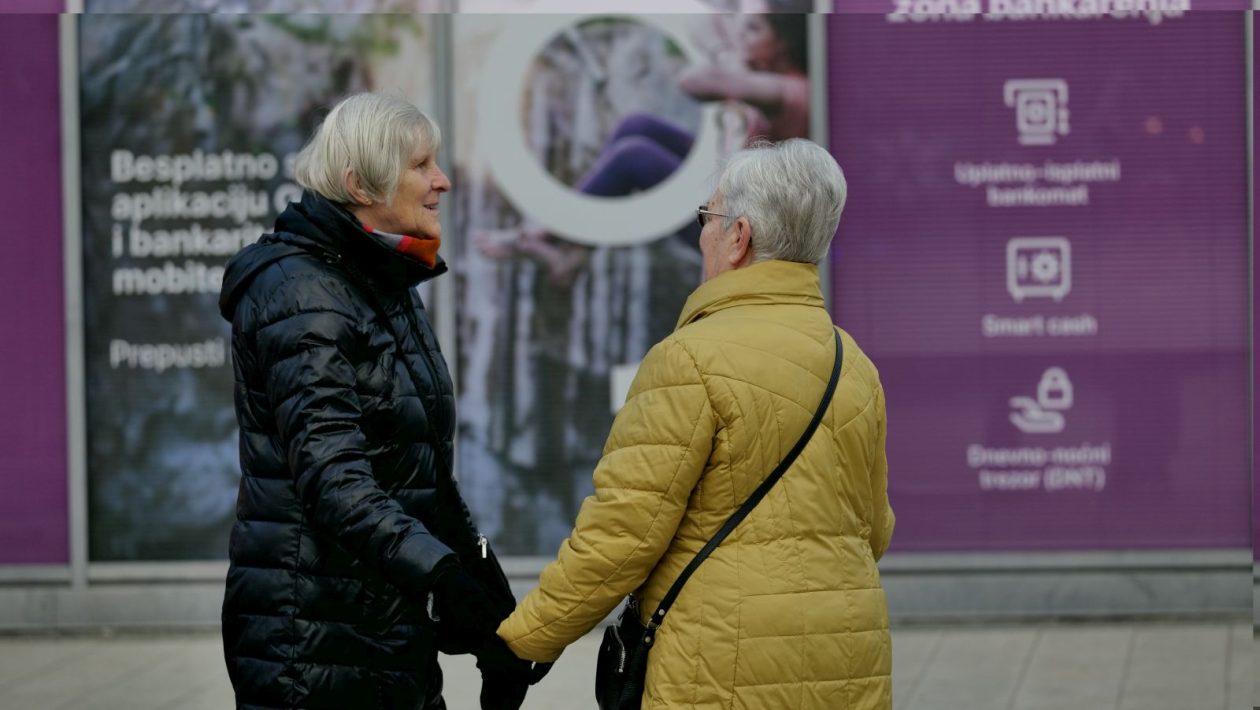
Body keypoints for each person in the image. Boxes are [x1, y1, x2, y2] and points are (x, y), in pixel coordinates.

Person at [497, 139, 896, 709]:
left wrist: (524, 641)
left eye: (708, 218)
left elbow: (622, 535)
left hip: (722, 661)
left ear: (739, 238)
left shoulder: (687, 360)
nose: (702, 235)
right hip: (850, 658)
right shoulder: (852, 363)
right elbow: (874, 530)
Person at [218, 92, 541, 710]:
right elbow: (334, 480)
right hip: (314, 644)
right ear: (360, 184)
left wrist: (479, 585)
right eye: (422, 166)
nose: (442, 181)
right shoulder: (303, 291)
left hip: (380, 629)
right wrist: (442, 575)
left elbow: (412, 463)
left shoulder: (376, 280)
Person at [474, 12, 809, 287]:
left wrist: (727, 56)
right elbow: (703, 27)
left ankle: (544, 235)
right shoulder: (773, 77)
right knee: (637, 125)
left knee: (634, 156)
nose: (740, 34)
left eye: (752, 28)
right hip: (735, 201)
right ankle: (574, 246)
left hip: (743, 230)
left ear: (784, 42)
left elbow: (695, 81)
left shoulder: (786, 89)